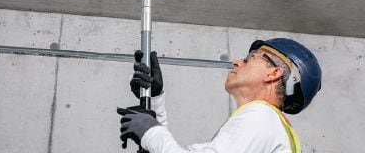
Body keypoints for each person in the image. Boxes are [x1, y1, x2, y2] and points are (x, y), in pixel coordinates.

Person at [118, 38, 323, 153]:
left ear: (274, 73)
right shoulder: (271, 126)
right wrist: (155, 99)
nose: (237, 63)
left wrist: (151, 132)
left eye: (250, 58)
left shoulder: (261, 116)